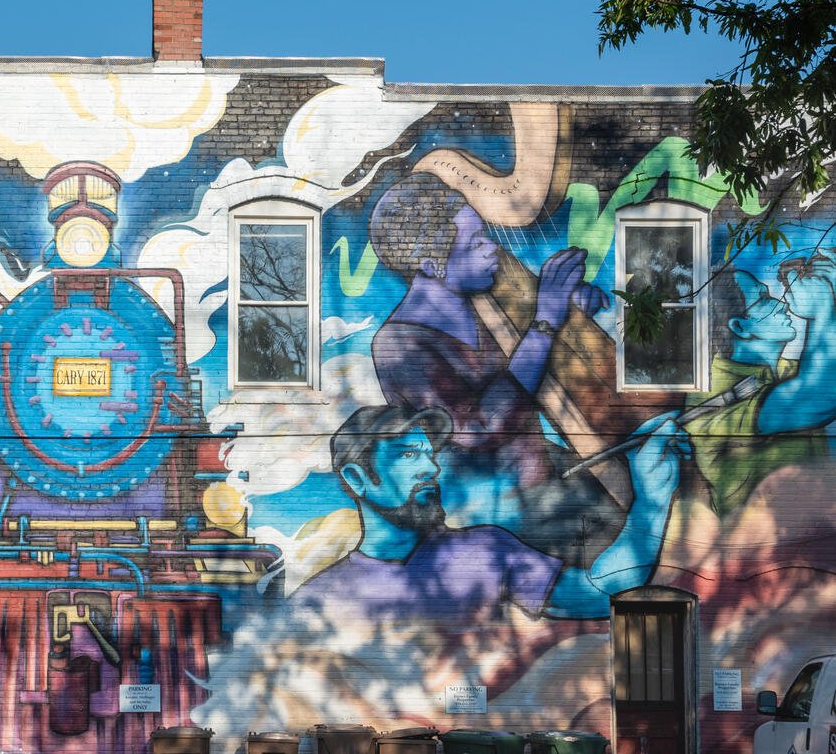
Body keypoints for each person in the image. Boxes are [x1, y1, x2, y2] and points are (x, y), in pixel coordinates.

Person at [296, 404, 688, 623]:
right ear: (358, 477)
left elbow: (597, 593)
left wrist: (651, 500)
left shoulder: (486, 551)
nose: (430, 468)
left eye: (430, 454)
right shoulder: (317, 599)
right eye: (408, 455)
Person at [367, 173, 608, 509]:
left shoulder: (484, 305)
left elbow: (536, 366)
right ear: (431, 264)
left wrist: (570, 314)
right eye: (475, 242)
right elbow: (478, 430)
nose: (492, 247)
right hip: (490, 509)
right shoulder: (397, 345)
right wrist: (546, 319)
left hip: (544, 480)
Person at [686, 262, 836, 517]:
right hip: (755, 538)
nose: (781, 303)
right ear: (739, 327)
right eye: (764, 299)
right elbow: (819, 399)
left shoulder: (787, 372)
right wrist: (824, 306)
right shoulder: (711, 395)